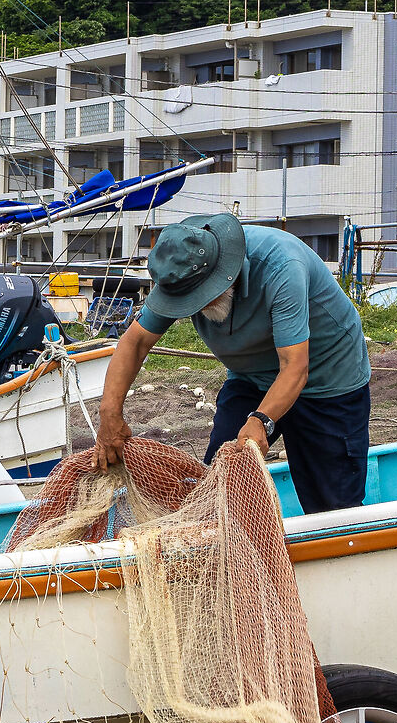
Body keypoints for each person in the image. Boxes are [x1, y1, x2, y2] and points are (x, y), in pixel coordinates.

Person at [92, 212, 373, 513]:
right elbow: (134, 343)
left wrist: (261, 421)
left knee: (332, 506)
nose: (195, 307)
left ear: (224, 274)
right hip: (250, 377)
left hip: (326, 380)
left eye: (201, 298)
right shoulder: (180, 268)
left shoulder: (282, 266)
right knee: (218, 485)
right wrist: (109, 413)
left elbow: (295, 367)